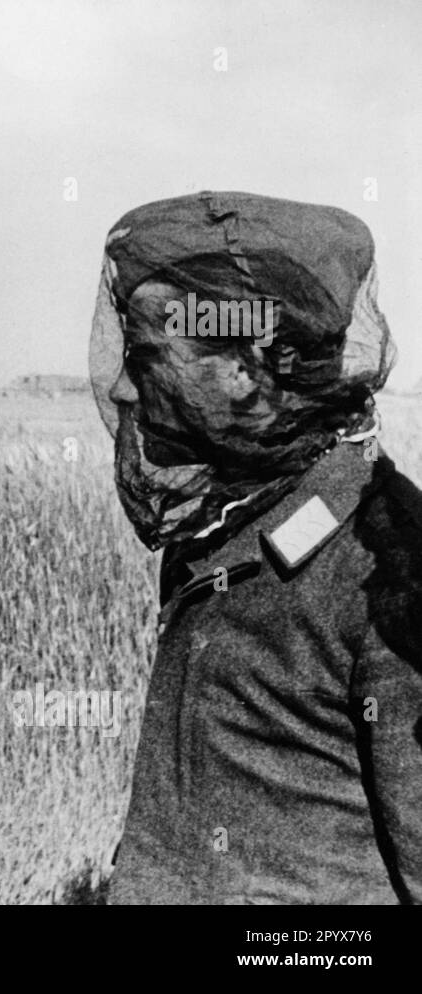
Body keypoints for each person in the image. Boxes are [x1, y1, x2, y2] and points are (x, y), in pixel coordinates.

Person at [92, 190, 422, 903]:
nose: (126, 384)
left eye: (149, 355)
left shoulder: (392, 566)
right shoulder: (220, 521)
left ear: (245, 367)